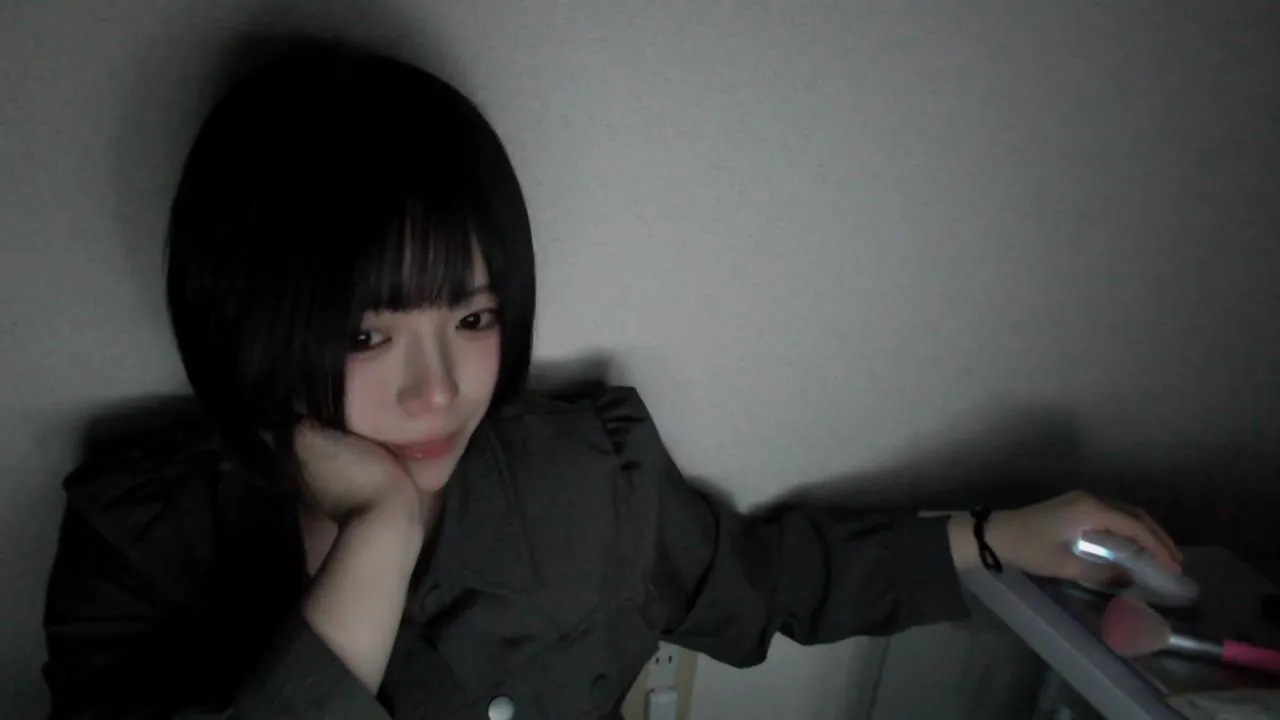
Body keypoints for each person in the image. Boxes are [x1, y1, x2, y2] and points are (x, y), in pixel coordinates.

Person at [42, 41, 1182, 719]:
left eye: (474, 317)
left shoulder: (585, 477)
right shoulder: (140, 552)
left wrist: (997, 542)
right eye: (367, 334)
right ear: (254, 321)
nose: (439, 391)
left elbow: (764, 580)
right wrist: (377, 539)